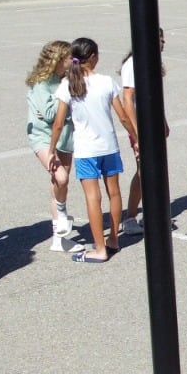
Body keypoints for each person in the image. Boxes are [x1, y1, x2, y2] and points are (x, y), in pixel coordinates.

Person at [49, 38, 138, 263]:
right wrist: (136, 139)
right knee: (114, 192)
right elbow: (124, 117)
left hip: (86, 149)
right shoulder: (107, 82)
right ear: (94, 57)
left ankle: (99, 248)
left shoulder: (68, 85)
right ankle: (113, 240)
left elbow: (58, 123)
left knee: (93, 197)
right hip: (109, 146)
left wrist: (51, 150)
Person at [25, 40, 81, 254]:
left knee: (59, 184)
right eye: (69, 58)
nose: (72, 61)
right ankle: (63, 215)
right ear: (59, 59)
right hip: (42, 137)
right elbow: (49, 115)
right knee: (61, 178)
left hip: (65, 135)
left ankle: (59, 238)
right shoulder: (42, 83)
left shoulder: (63, 79)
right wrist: (65, 91)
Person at [119, 27, 171, 234]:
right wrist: (136, 133)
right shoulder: (133, 64)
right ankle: (130, 217)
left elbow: (155, 96)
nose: (163, 43)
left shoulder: (152, 62)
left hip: (153, 124)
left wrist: (163, 121)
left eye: (163, 39)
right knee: (144, 171)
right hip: (141, 126)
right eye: (159, 39)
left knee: (155, 170)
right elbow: (127, 99)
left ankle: (154, 214)